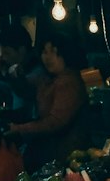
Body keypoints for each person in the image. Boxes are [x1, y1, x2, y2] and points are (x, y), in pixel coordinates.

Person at [5, 35, 90, 169]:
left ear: (65, 54)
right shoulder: (45, 78)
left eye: (55, 52)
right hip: (49, 155)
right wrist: (16, 76)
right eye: (45, 52)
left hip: (67, 157)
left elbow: (54, 122)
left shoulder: (69, 82)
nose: (48, 57)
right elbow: (26, 90)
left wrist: (19, 129)